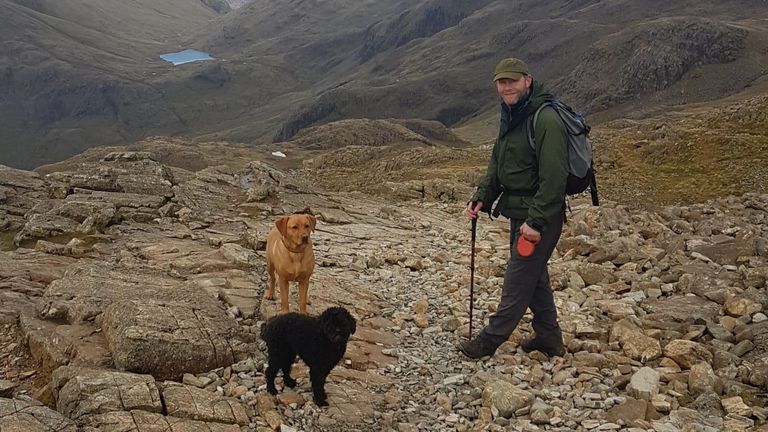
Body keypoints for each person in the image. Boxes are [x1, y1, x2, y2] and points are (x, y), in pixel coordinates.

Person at [459, 57, 568, 359]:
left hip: (539, 218)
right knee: (534, 276)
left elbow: (554, 178)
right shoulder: (512, 115)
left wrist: (535, 222)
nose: (506, 87)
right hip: (520, 212)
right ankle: (549, 337)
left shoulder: (545, 119)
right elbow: (499, 163)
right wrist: (483, 195)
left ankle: (488, 341)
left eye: (512, 81)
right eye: (501, 82)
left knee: (518, 278)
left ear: (527, 81)